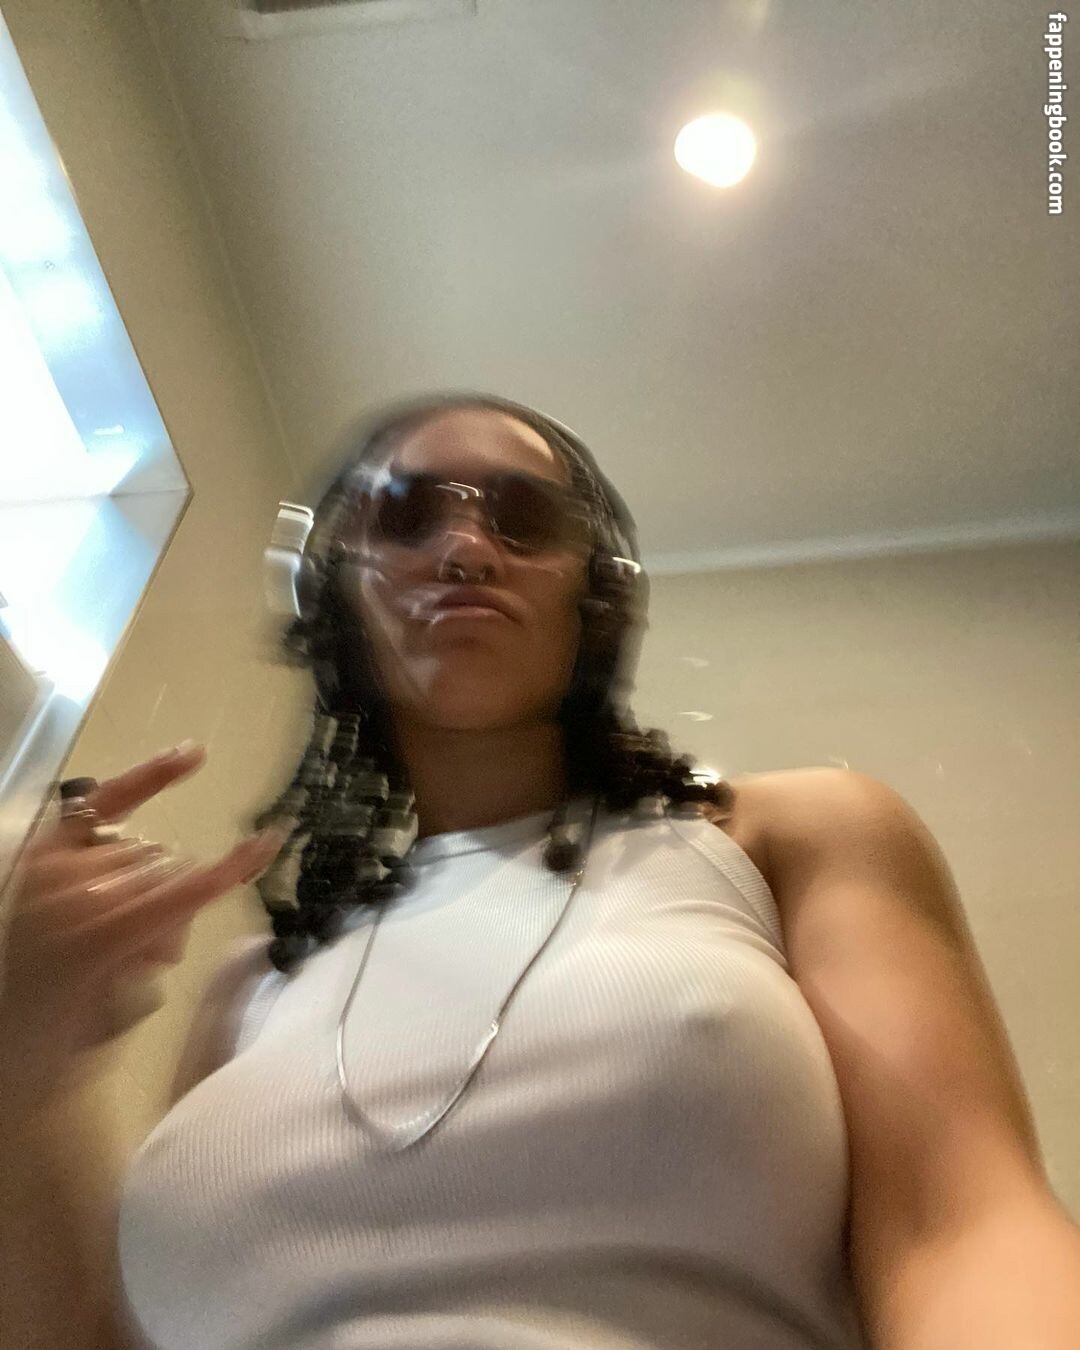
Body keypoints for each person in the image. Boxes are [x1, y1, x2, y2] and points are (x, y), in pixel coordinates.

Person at [3, 393, 1079, 1350]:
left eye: (523, 518)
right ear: (336, 594)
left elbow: (962, 1226)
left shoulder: (785, 836)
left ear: (595, 597)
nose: (466, 547)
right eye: (406, 514)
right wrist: (26, 1064)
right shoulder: (252, 988)